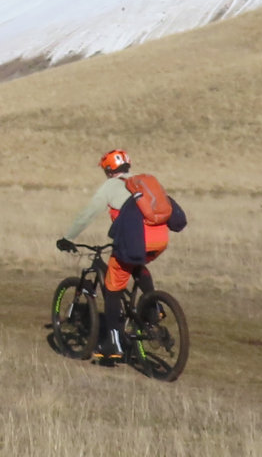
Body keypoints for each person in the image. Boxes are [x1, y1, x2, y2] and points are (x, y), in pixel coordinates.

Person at [55, 149, 187, 364]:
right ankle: (154, 307)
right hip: (159, 240)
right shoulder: (141, 183)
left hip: (135, 241)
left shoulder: (111, 186)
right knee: (137, 265)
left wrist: (67, 237)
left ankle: (112, 343)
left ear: (108, 169)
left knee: (112, 288)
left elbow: (87, 214)